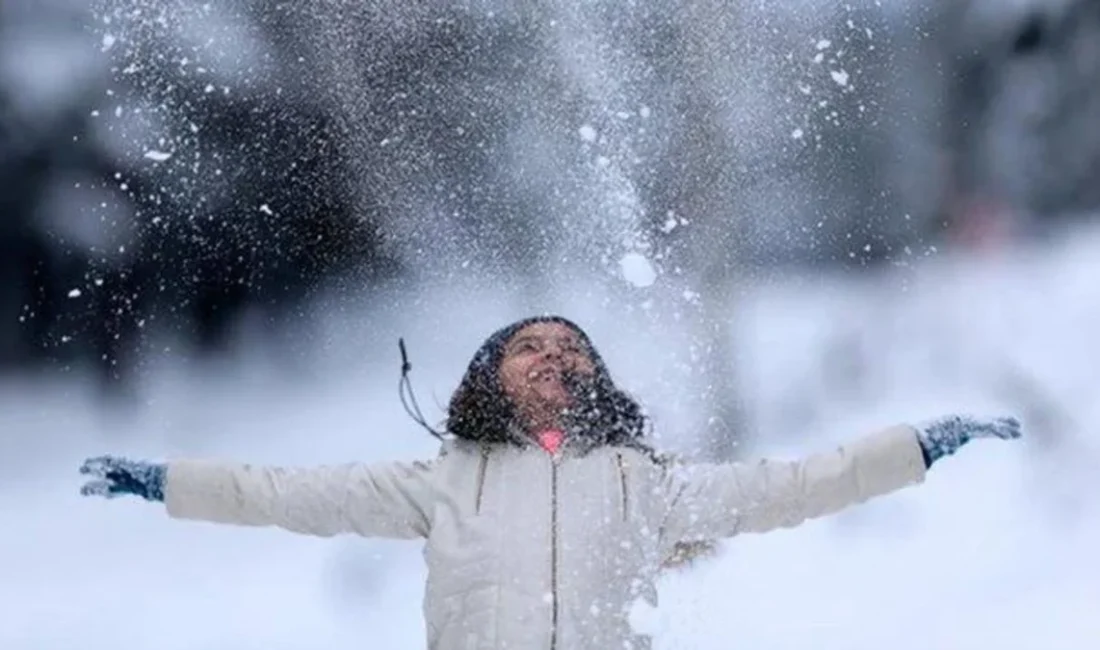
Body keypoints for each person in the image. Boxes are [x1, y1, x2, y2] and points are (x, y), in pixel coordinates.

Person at [79, 315, 1022, 650]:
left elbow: (794, 485)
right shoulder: (441, 480)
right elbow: (281, 491)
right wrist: (165, 481)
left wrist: (917, 447)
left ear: (596, 380)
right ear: (490, 375)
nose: (552, 357)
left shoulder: (644, 485)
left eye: (572, 348)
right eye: (528, 345)